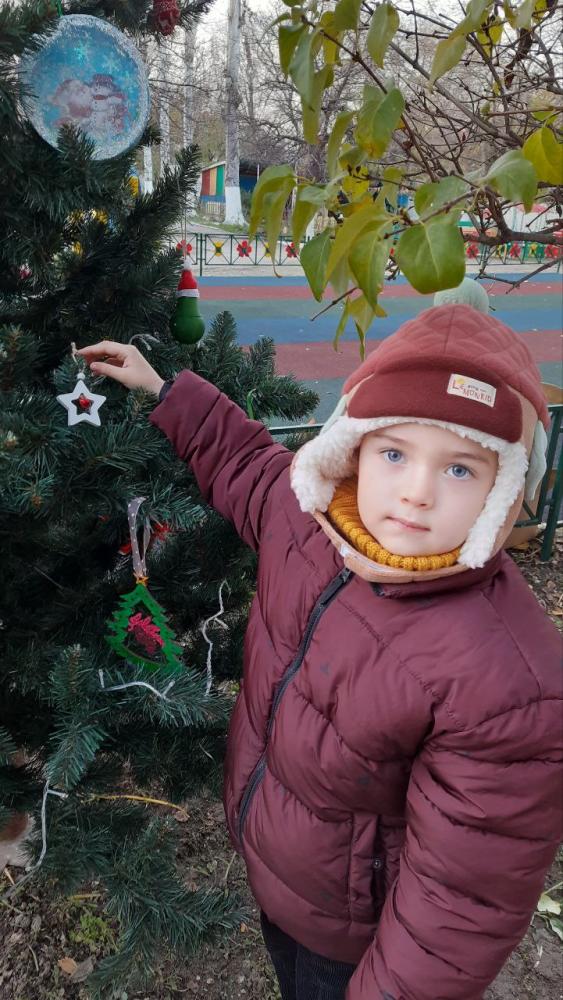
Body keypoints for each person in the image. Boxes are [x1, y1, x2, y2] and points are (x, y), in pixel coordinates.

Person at [78, 303, 562, 1000]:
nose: (416, 493)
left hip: (352, 940)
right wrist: (163, 387)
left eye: (460, 469)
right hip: (282, 870)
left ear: (504, 491)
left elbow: (459, 906)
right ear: (352, 450)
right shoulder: (309, 522)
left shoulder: (506, 680)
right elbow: (244, 459)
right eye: (393, 453)